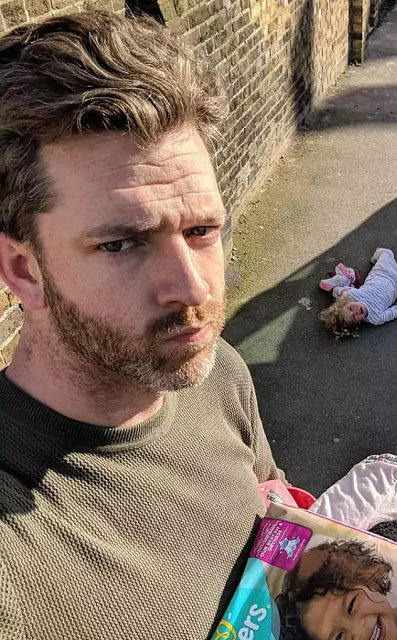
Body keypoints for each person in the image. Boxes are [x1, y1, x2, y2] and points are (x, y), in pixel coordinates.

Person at [0, 11, 284, 639]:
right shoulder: (15, 562)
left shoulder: (218, 372)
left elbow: (274, 508)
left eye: (202, 230)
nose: (194, 289)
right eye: (121, 243)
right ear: (23, 270)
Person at [318, 249, 397, 338]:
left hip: (381, 272)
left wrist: (333, 289)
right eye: (354, 317)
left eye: (350, 308)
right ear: (358, 323)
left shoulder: (352, 295)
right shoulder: (375, 318)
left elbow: (340, 291)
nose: (356, 311)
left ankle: (376, 256)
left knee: (387, 252)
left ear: (347, 303)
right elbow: (393, 312)